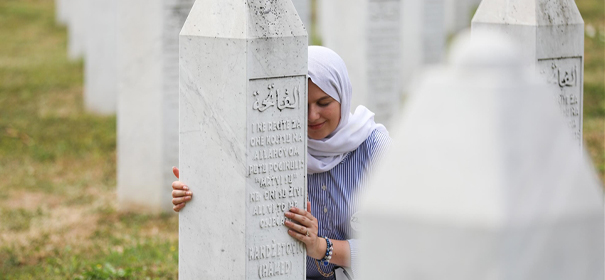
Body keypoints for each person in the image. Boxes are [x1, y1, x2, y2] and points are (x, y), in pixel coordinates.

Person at [171, 46, 390, 279]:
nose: (312, 116)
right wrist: (195, 195)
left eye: (324, 102)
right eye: (302, 104)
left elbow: (392, 247)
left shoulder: (374, 146)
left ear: (343, 96)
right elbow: (237, 208)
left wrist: (320, 247)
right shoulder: (273, 146)